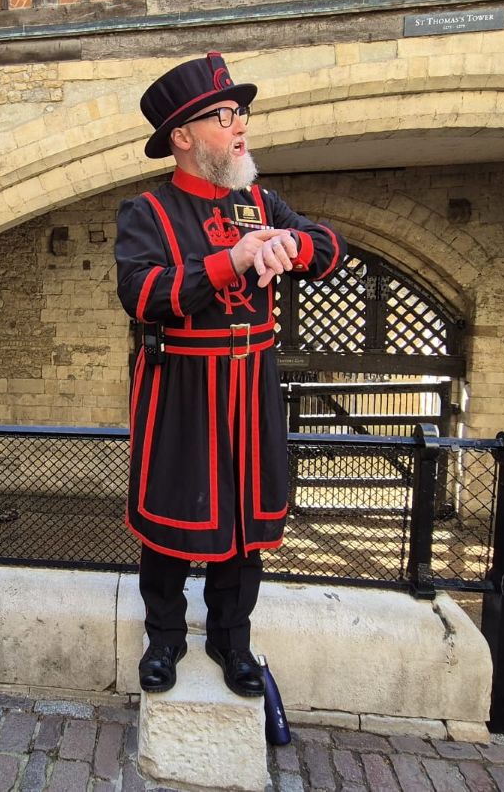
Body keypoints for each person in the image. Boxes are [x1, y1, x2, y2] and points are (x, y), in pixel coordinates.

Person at [114, 52, 347, 697]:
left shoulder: (261, 201)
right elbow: (142, 294)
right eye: (223, 115)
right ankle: (165, 637)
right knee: (170, 515)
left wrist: (290, 244)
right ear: (183, 137)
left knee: (246, 519)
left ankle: (231, 639)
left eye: (240, 112)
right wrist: (231, 260)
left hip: (253, 381)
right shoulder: (148, 211)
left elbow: (331, 247)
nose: (241, 124)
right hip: (182, 385)